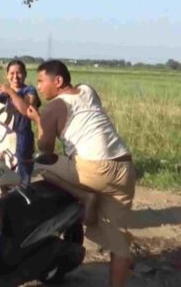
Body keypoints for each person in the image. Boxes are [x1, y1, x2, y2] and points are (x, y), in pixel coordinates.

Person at [26, 60, 135, 287]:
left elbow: (45, 150)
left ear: (58, 81)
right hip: (124, 168)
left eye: (41, 81)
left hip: (94, 169)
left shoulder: (53, 107)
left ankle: (85, 197)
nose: (39, 87)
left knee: (40, 164)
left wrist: (39, 120)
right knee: (119, 240)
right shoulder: (88, 90)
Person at [0, 60, 40, 187]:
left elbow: (26, 110)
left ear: (25, 74)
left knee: (20, 178)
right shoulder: (0, 92)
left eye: (19, 73)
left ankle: (20, 202)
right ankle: (2, 202)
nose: (15, 76)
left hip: (20, 142)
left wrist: (11, 93)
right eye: (12, 73)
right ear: (7, 75)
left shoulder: (29, 91)